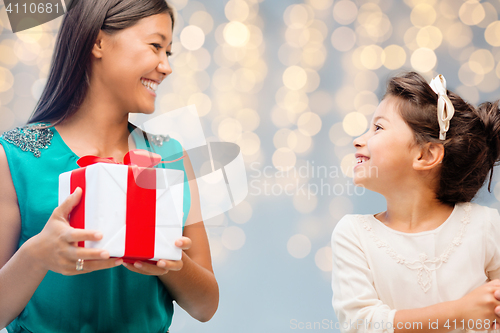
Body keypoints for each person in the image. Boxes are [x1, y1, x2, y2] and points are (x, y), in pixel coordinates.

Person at [0, 0, 219, 332]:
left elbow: (206, 307)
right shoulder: (16, 157)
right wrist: (38, 254)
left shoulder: (171, 158)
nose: (166, 66)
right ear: (98, 42)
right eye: (156, 46)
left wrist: (172, 263)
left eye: (168, 53)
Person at [331, 71, 500, 333]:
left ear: (426, 154)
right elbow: (361, 324)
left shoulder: (486, 226)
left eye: (378, 127)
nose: (358, 140)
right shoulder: (354, 235)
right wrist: (461, 312)